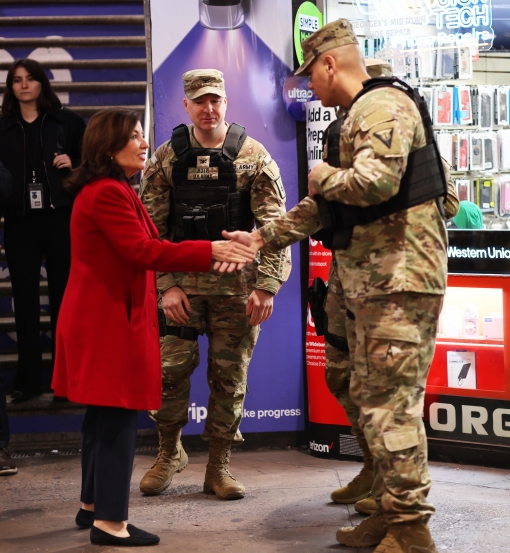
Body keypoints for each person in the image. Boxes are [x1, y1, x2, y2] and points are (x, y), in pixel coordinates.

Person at [227, 20, 448, 553]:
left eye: (311, 75)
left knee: (390, 403)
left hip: (399, 281)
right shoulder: (357, 115)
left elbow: (374, 184)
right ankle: (391, 512)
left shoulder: (380, 106)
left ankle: (411, 529)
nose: (310, 87)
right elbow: (325, 208)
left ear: (330, 63)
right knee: (369, 395)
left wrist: (322, 175)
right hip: (374, 280)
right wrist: (263, 238)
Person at [51, 108, 255, 547]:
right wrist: (210, 250)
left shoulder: (112, 188)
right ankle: (111, 523)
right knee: (118, 418)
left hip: (104, 318)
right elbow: (144, 250)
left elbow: (147, 247)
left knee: (102, 417)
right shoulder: (107, 192)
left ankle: (92, 507)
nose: (145, 144)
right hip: (106, 322)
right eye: (136, 137)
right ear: (109, 146)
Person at [139, 69, 290, 500]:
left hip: (236, 293)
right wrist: (166, 286)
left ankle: (219, 467)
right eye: (199, 101)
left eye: (215, 100)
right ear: (185, 105)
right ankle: (169, 453)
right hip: (180, 293)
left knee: (229, 380)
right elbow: (150, 231)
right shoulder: (167, 158)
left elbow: (275, 227)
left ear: (226, 103)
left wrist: (266, 286)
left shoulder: (253, 156)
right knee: (168, 376)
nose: (208, 109)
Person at [0, 58, 86, 402]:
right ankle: (28, 381)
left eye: (30, 79)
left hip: (60, 218)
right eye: (17, 80)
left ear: (42, 84)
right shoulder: (3, 126)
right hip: (20, 222)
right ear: (11, 87)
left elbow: (96, 162)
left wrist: (74, 165)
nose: (24, 85)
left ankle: (65, 381)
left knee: (66, 300)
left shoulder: (67, 122)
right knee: (24, 301)